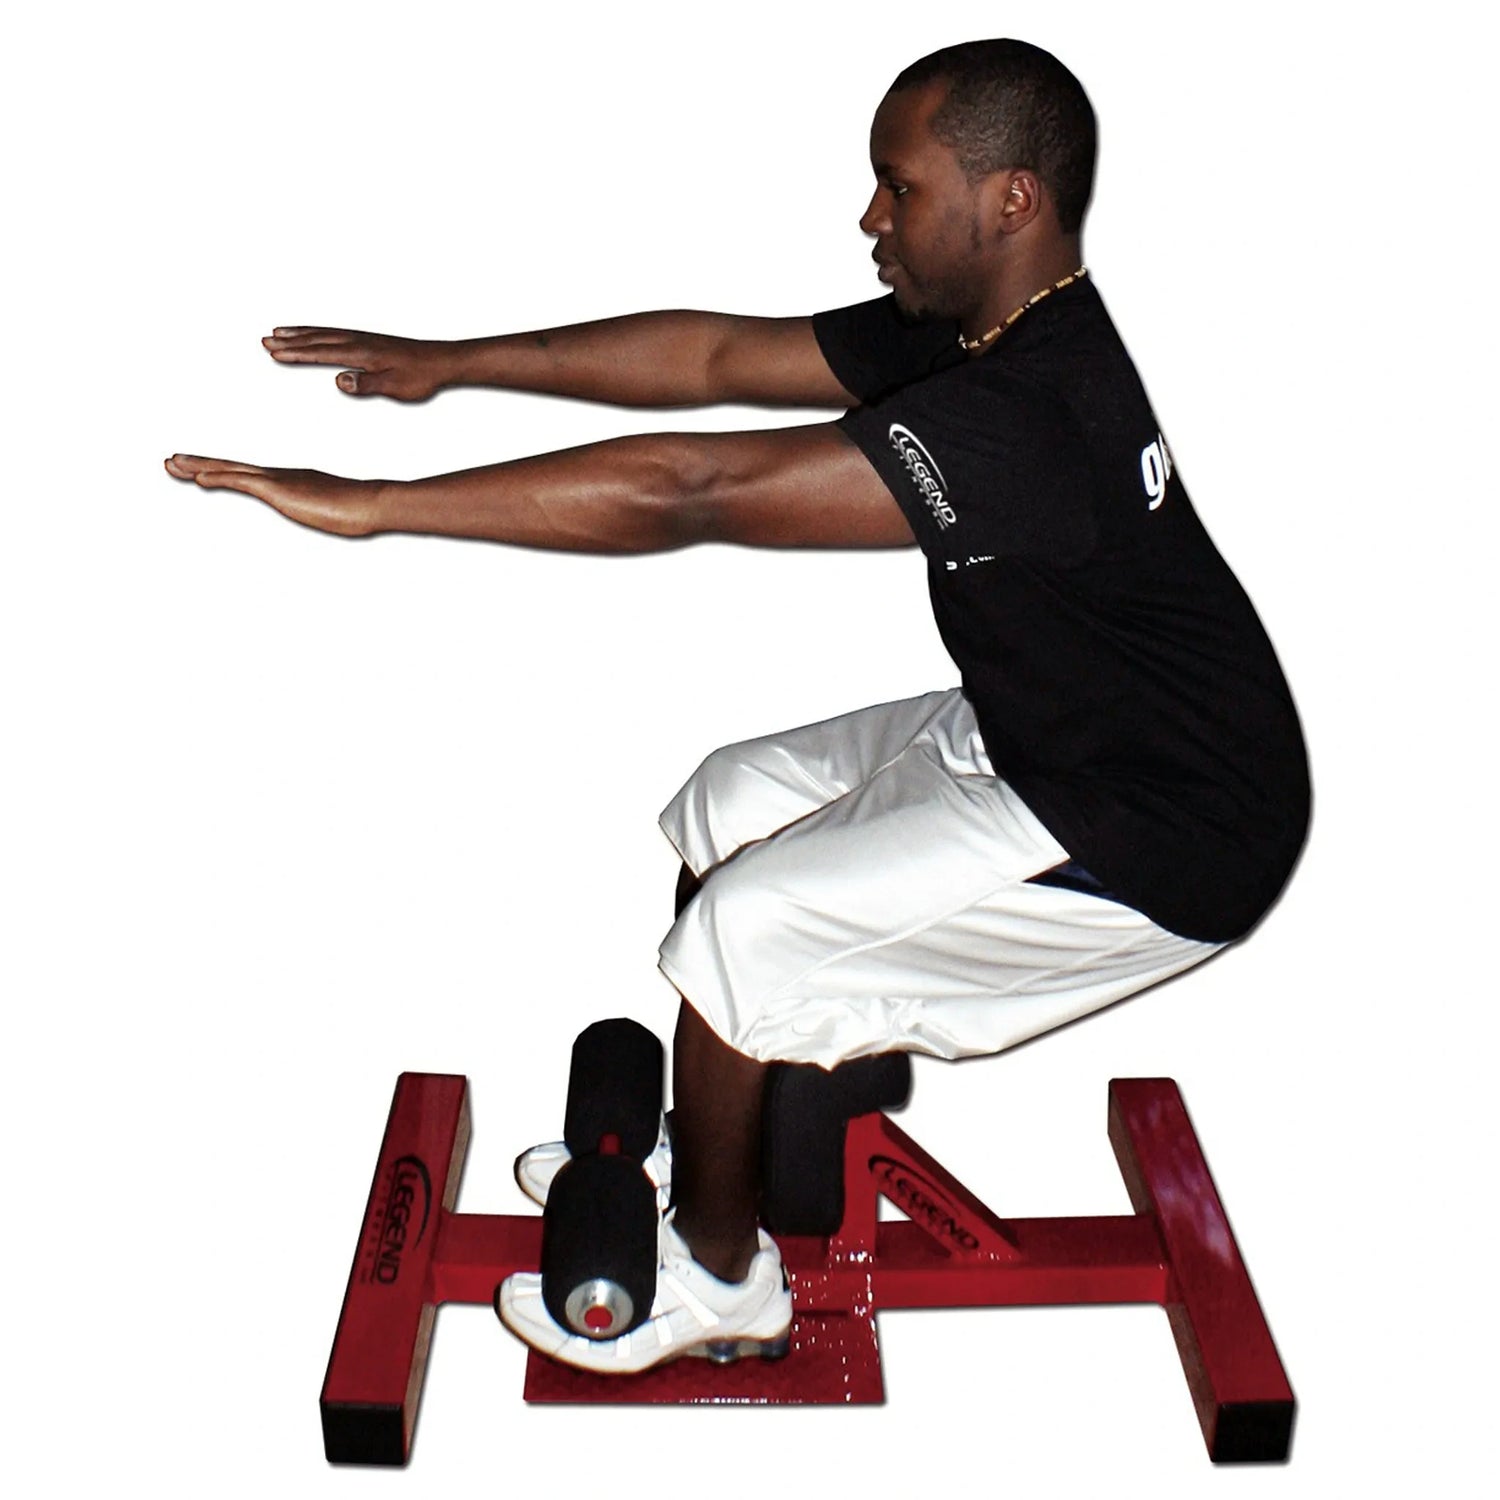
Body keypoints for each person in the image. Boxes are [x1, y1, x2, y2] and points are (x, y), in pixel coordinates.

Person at [166, 39, 1309, 1374]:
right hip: (1043, 730)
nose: (873, 219)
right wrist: (452, 362)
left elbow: (692, 489)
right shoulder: (984, 323)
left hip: (1161, 827)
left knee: (742, 932)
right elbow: (712, 356)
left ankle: (720, 1274)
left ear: (1010, 200)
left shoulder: (1028, 415)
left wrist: (378, 512)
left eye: (899, 187)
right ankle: (722, 1116)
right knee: (730, 800)